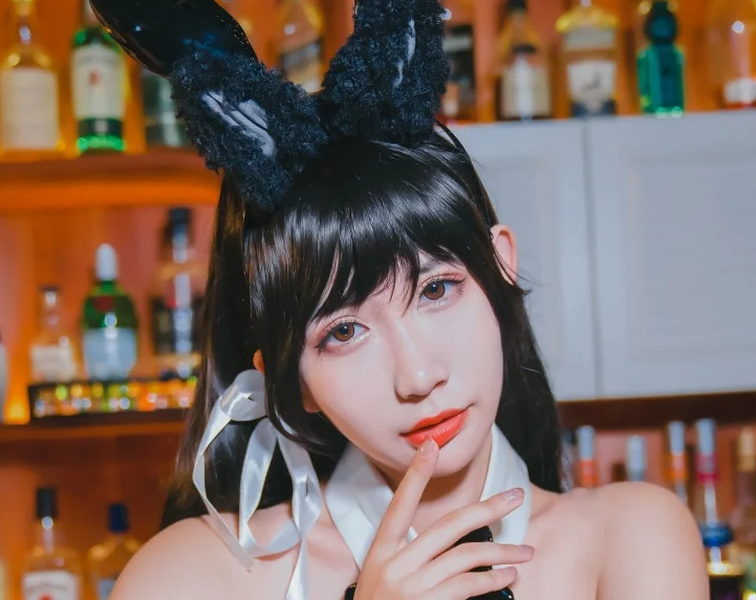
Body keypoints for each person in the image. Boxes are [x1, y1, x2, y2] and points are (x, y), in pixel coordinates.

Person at [90, 0, 708, 598]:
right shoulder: (188, 578)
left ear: (500, 264)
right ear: (286, 380)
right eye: (343, 332)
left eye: (436, 289)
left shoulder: (629, 539)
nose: (417, 377)